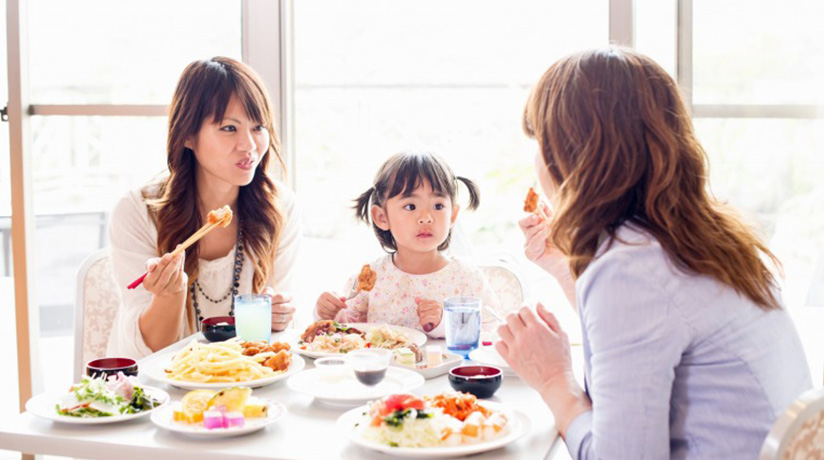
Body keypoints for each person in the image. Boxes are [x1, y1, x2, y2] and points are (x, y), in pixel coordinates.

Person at [497, 47, 812, 459]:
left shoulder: (629, 267)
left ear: (568, 153)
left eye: (539, 140)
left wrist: (555, 380)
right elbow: (646, 339)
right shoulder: (704, 234)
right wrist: (565, 269)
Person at [107, 57, 301, 359]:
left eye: (258, 126)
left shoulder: (280, 208)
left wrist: (280, 316)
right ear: (187, 135)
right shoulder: (137, 212)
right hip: (159, 389)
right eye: (228, 128)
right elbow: (149, 354)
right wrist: (168, 297)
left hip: (248, 383)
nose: (249, 144)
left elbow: (277, 345)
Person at [313, 151, 498, 337]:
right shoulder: (370, 279)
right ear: (381, 217)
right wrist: (329, 313)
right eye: (410, 206)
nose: (426, 218)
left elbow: (493, 334)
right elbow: (349, 333)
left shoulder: (466, 278)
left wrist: (445, 324)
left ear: (453, 215)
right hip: (384, 367)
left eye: (438, 206)